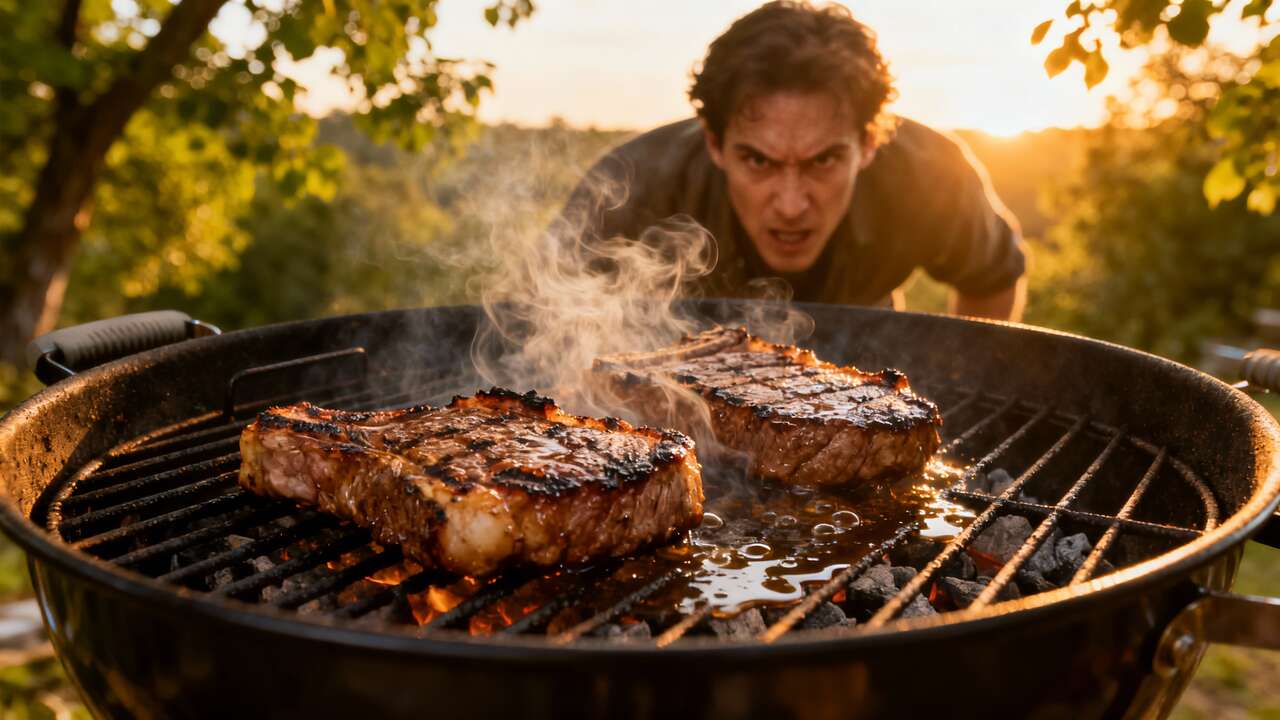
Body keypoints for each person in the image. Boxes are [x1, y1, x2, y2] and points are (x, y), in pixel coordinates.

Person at [558, 1, 1027, 320]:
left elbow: (993, 275)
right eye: (758, 161)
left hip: (871, 374)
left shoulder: (929, 174)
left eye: (823, 160)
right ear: (715, 144)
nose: (790, 205)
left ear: (868, 143)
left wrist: (952, 386)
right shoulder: (634, 186)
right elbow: (545, 323)